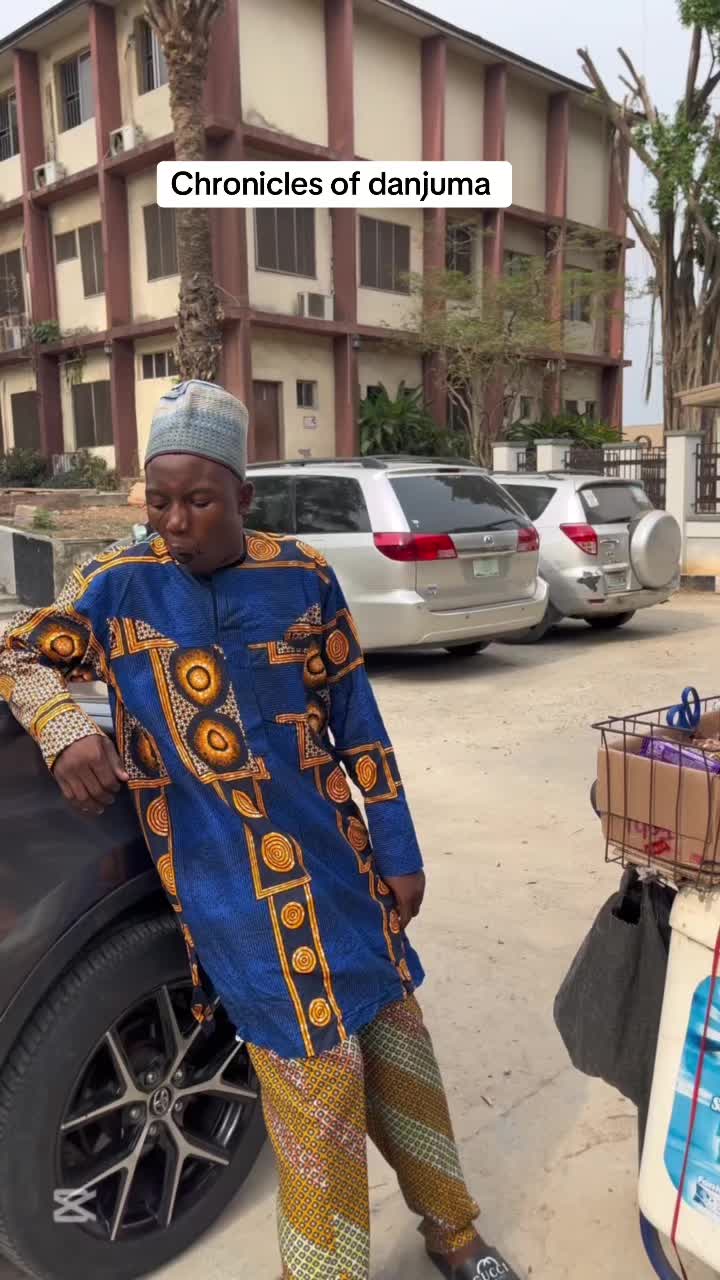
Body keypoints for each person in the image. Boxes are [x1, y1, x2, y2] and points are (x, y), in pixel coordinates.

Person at [0, 381, 521, 1280]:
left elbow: (357, 723)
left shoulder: (302, 577)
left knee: (398, 1043)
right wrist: (65, 730)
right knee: (320, 1086)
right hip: (229, 887)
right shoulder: (117, 586)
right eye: (159, 501)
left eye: (199, 501)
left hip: (339, 866)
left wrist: (396, 848)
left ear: (243, 496)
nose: (175, 523)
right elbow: (16, 651)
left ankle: (454, 1233)